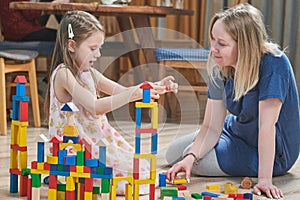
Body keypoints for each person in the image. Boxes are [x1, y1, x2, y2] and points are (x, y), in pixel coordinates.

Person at [165, 3, 299, 199]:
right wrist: (191, 156)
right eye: (212, 40)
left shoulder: (274, 64)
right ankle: (199, 152)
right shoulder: (220, 67)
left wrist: (264, 180)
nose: (213, 49)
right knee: (175, 154)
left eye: (221, 43)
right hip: (237, 131)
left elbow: (266, 127)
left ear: (244, 45)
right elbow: (211, 126)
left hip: (274, 151)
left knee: (198, 161)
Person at [44, 10, 178, 194]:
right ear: (72, 46)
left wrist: (153, 87)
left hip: (99, 139)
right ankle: (65, 175)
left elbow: (121, 90)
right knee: (123, 179)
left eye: (100, 47)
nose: (98, 54)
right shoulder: (63, 74)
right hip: (75, 147)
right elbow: (94, 106)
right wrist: (132, 95)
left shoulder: (88, 73)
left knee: (142, 168)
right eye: (93, 48)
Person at [0, 0, 67, 41]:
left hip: (12, 32)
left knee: (63, 35)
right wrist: (50, 7)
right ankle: (68, 29)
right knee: (62, 36)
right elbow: (30, 15)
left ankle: (67, 28)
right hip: (21, 32)